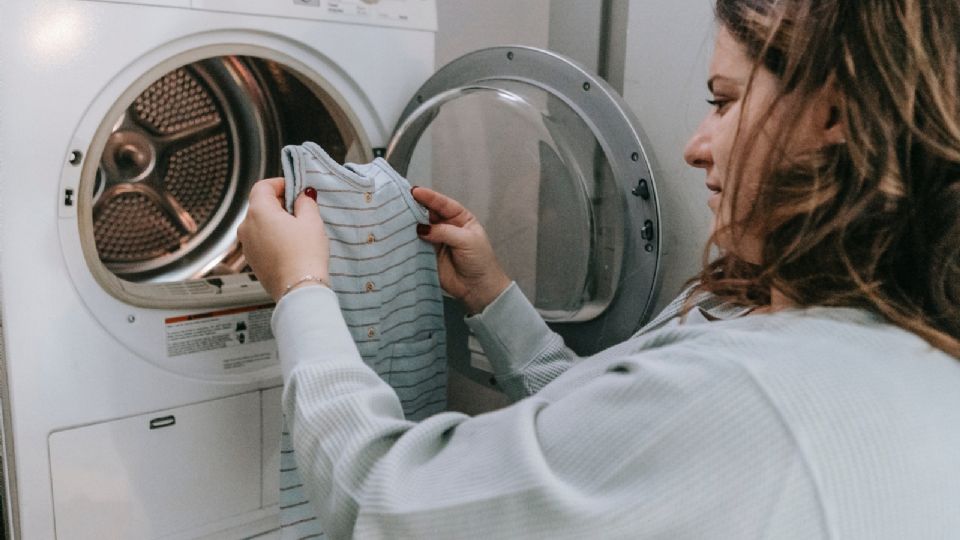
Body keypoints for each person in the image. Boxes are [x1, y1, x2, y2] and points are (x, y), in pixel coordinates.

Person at [237, 0, 960, 537]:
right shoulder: (886, 342)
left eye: (725, 100)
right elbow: (610, 438)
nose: (695, 147)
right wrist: (494, 299)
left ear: (834, 111)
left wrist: (303, 289)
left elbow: (380, 502)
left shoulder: (750, 390)